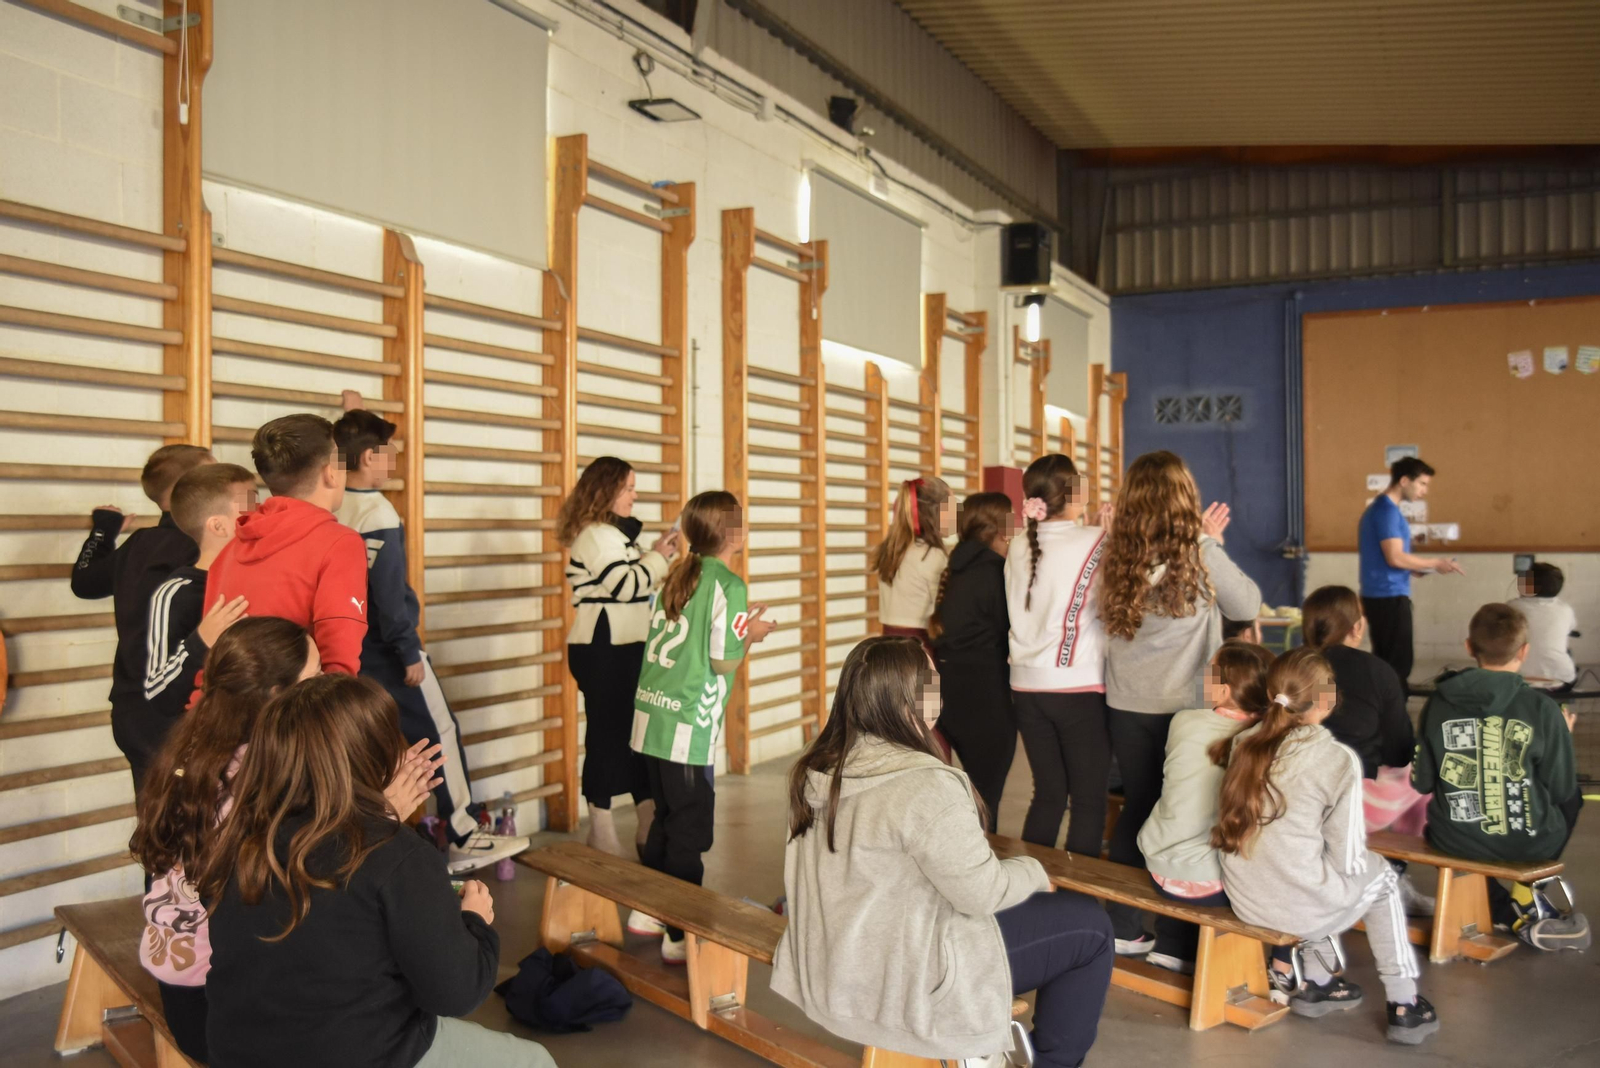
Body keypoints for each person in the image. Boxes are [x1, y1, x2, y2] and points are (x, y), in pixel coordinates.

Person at [772, 637, 1114, 1068]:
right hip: (910, 972)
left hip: (836, 960)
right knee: (1091, 929)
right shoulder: (925, 783)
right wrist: (1031, 871)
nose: (940, 683)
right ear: (908, 698)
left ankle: (982, 1049)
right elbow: (980, 895)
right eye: (932, 677)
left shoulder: (818, 767)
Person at [191, 674, 555, 1068]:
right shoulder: (397, 855)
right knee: (534, 1060)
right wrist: (475, 923)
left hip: (236, 1053)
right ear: (375, 756)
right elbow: (455, 994)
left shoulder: (239, 839)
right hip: (360, 1055)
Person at [333, 406, 527, 874]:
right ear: (365, 458)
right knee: (437, 732)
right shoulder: (378, 510)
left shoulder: (335, 503)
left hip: (347, 645)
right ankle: (461, 832)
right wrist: (406, 649)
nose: (395, 456)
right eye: (386, 450)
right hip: (389, 648)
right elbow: (388, 591)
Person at [1215, 647, 1439, 1046]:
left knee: (1311, 870)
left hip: (1246, 897)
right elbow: (1348, 857)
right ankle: (1405, 1002)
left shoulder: (1244, 743)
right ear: (1328, 699)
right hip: (1295, 904)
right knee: (1380, 878)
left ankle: (1318, 982)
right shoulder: (1336, 759)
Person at [130, 618, 327, 1063]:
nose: (324, 682)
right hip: (225, 1013)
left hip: (181, 992)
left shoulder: (189, 748)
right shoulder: (259, 778)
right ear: (277, 695)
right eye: (314, 676)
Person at [1097, 450, 1261, 954]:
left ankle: (1124, 927)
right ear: (1186, 500)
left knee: (1138, 805)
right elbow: (1248, 605)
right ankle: (1174, 940)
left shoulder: (1117, 552)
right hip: (1185, 711)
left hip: (1125, 704)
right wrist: (1212, 542)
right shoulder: (1201, 553)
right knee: (1189, 815)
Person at [629, 491, 776, 961]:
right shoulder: (728, 585)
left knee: (664, 819)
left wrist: (738, 631)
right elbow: (721, 662)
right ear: (734, 533)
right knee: (689, 830)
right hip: (685, 723)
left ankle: (647, 911)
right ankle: (679, 933)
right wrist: (749, 637)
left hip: (650, 718)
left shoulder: (678, 573)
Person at [1411, 603, 1588, 950]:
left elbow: (1421, 783)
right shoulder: (1544, 709)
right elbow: (1562, 787)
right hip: (1528, 841)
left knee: (1457, 837)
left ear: (1468, 647)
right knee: (1573, 800)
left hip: (1454, 838)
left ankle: (1510, 912)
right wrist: (1560, 738)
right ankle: (1523, 898)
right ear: (1524, 651)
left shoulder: (1436, 703)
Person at [70, 443, 215, 798]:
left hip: (132, 710)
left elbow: (85, 581)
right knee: (200, 833)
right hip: (177, 708)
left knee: (160, 832)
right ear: (192, 488)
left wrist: (104, 530)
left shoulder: (140, 543)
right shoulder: (205, 548)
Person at [556, 456, 680, 857]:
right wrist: (658, 558)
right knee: (608, 735)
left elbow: (637, 580)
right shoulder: (595, 535)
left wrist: (658, 554)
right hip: (603, 648)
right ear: (607, 491)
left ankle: (645, 816)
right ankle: (601, 825)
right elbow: (625, 585)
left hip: (626, 647)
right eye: (629, 488)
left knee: (636, 735)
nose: (635, 495)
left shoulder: (615, 535)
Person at [1136, 640, 1274, 974]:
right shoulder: (1264, 740)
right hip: (1214, 886)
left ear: (1224, 690)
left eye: (1209, 671)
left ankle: (1170, 945)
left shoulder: (1183, 721)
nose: (1203, 676)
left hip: (1159, 868)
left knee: (1192, 827)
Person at [202, 414, 368, 679]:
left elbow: (211, 658)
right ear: (331, 473)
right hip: (293, 714)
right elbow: (339, 662)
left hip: (223, 712)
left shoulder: (231, 548)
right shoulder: (340, 543)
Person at [1004, 455, 1111, 856]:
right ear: (1074, 493)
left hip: (1026, 687)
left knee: (1047, 794)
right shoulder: (1097, 541)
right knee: (1088, 800)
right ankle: (1078, 900)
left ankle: (1035, 890)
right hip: (1076, 685)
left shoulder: (1017, 545)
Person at [1301, 586, 1433, 889]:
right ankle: (1393, 872)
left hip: (1292, 796)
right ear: (1357, 627)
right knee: (1424, 773)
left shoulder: (1288, 667)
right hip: (1355, 805)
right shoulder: (1378, 671)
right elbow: (1400, 751)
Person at [134, 464, 255, 791]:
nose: (260, 512)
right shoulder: (177, 591)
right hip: (205, 765)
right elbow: (157, 691)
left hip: (257, 756)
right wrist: (202, 639)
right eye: (250, 504)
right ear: (217, 525)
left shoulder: (256, 579)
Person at [930, 491, 1017, 829]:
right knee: (986, 800)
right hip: (985, 695)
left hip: (949, 691)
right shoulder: (995, 571)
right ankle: (977, 872)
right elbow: (1011, 629)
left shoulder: (955, 566)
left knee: (973, 796)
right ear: (998, 527)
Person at [1357, 457, 1464, 687]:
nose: (1424, 491)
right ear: (1404, 480)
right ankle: (1394, 717)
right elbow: (1395, 557)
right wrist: (1435, 562)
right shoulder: (1386, 512)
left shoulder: (1384, 511)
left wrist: (1421, 568)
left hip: (1384, 595)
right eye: (1422, 484)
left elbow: (1395, 560)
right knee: (1397, 666)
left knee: (1390, 663)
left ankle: (1387, 714)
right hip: (1388, 597)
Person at [872, 476, 953, 656]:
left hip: (886, 649)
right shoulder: (932, 555)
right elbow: (946, 611)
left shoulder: (891, 551)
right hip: (920, 650)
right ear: (936, 512)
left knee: (895, 686)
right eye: (952, 508)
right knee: (928, 686)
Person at [1509, 562, 1578, 693]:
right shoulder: (1565, 609)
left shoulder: (1512, 607)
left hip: (1519, 677)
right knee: (1566, 652)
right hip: (1561, 679)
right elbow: (1570, 627)